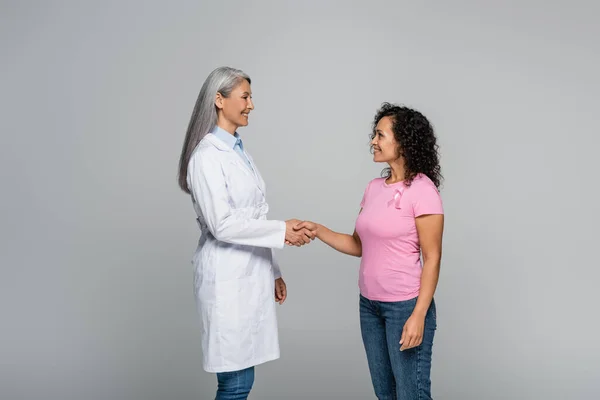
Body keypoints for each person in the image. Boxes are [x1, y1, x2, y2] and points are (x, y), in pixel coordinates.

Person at [178, 66, 314, 400]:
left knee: (241, 380)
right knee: (236, 383)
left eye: (251, 97)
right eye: (245, 97)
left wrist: (274, 271)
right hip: (226, 278)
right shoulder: (207, 157)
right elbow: (222, 224)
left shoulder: (239, 151)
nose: (251, 105)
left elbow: (254, 216)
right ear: (219, 100)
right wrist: (283, 231)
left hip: (248, 274)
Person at [296, 103, 444, 400]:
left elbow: (433, 258)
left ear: (402, 142)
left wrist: (418, 315)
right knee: (385, 395)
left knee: (411, 395)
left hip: (405, 307)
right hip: (370, 306)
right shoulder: (374, 187)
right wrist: (319, 230)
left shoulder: (423, 190)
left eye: (380, 135)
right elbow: (360, 245)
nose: (373, 141)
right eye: (374, 135)